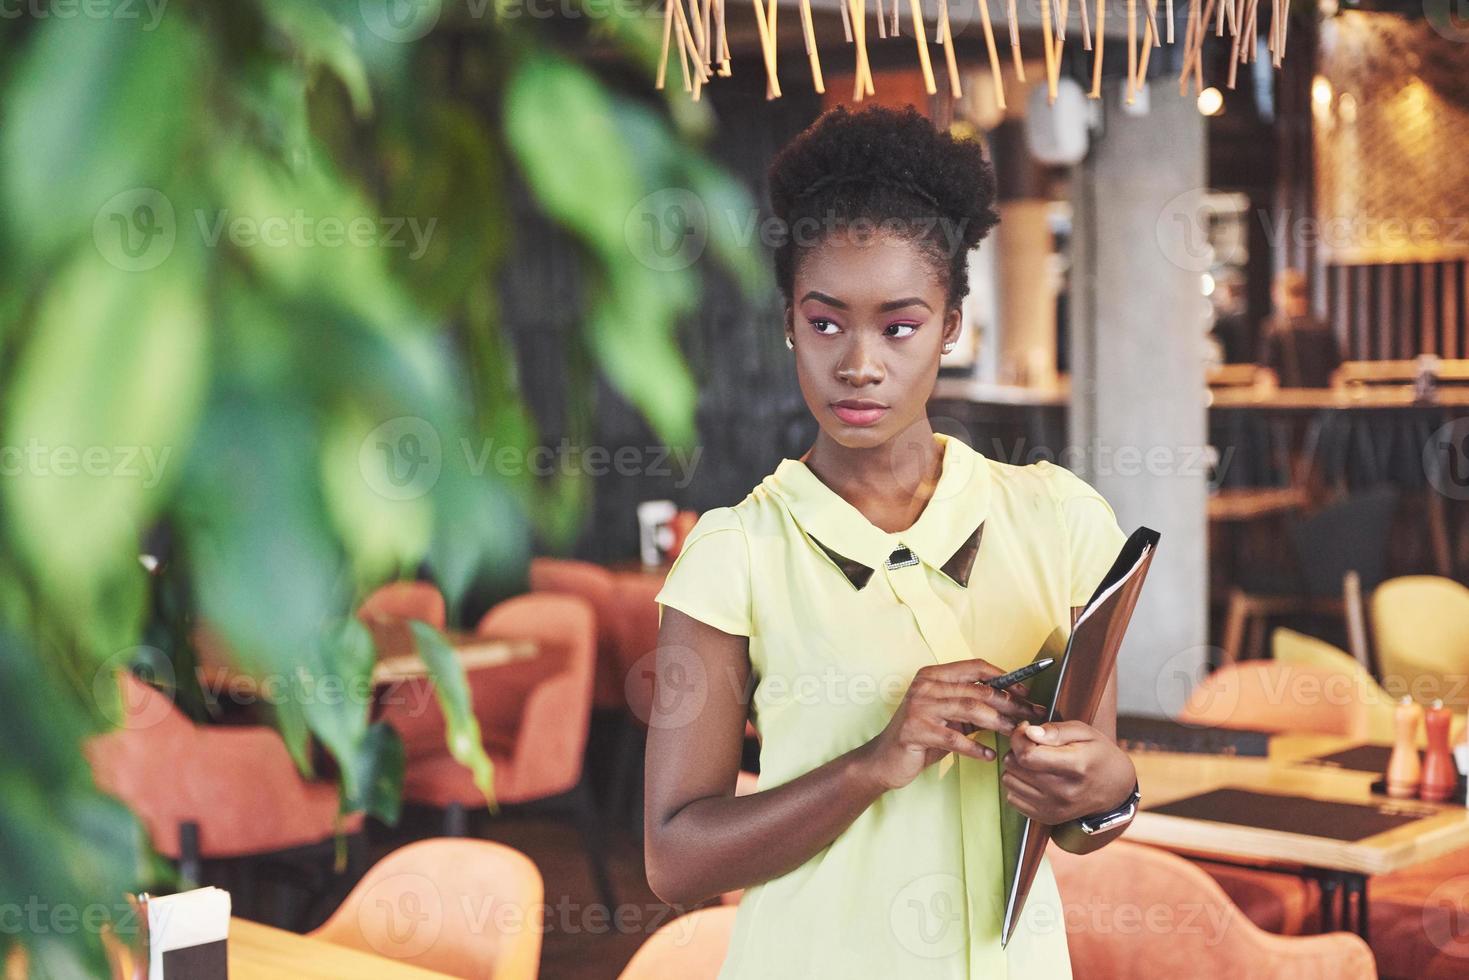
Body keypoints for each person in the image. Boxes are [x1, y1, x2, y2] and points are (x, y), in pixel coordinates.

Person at [642, 105, 1138, 979]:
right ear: (789, 322)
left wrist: (1107, 793)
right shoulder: (735, 554)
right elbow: (675, 859)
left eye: (898, 326)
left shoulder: (1057, 521)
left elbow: (1088, 804)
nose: (859, 363)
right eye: (825, 322)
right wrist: (873, 763)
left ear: (950, 325)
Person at [1257, 268, 1342, 388]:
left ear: (1281, 295)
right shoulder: (1324, 327)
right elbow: (1336, 374)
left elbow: (1268, 376)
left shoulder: (1273, 329)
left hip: (1286, 402)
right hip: (1321, 401)